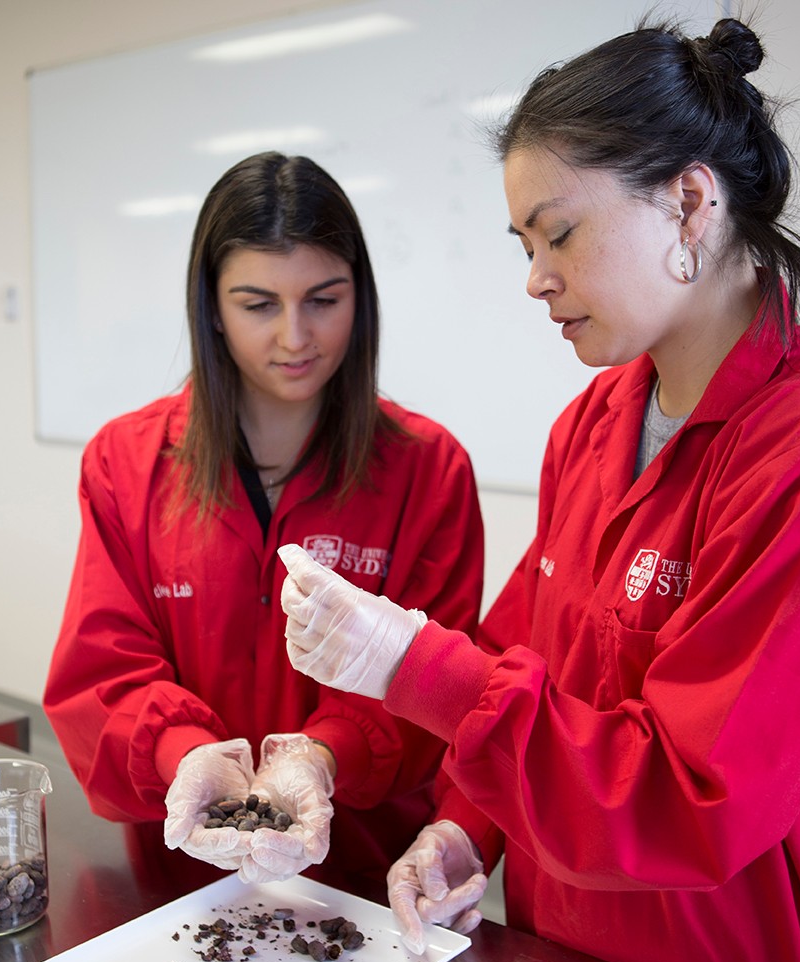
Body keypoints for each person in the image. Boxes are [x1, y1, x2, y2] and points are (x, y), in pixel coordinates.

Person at [276, 18, 800, 962]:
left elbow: (688, 793)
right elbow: (539, 658)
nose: (535, 278)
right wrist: (464, 828)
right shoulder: (593, 425)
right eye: (524, 245)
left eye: (559, 233)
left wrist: (407, 660)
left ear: (690, 202)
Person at [43, 151, 484, 904]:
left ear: (361, 297)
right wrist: (185, 753)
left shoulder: (427, 468)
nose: (294, 336)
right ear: (211, 306)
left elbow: (435, 690)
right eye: (258, 304)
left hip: (366, 889)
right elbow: (102, 672)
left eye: (323, 298)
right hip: (184, 883)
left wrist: (321, 755)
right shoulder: (126, 461)